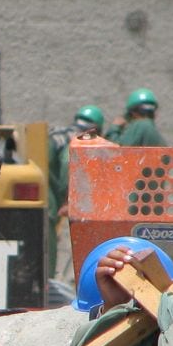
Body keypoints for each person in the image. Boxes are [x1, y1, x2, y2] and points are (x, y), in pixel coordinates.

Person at [47, 105, 105, 280]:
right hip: (51, 199)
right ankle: (48, 287)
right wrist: (68, 200)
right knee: (49, 247)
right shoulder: (79, 138)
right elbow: (68, 163)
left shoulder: (58, 134)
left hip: (41, 193)